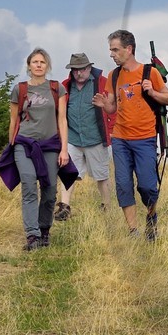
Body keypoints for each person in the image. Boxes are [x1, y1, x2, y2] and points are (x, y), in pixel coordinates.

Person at [95, 29, 168, 240]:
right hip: (120, 138)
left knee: (147, 185)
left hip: (145, 138)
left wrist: (152, 92)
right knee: (123, 183)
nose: (112, 54)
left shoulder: (150, 72)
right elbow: (112, 108)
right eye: (111, 50)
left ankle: (151, 218)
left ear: (129, 49)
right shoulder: (114, 75)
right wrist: (105, 105)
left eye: (115, 49)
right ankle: (133, 230)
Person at [7, 47, 69, 251]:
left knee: (50, 190)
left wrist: (64, 150)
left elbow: (62, 119)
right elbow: (14, 119)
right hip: (24, 144)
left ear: (47, 65)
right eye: (35, 62)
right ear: (29, 66)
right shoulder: (20, 89)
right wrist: (12, 145)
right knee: (28, 186)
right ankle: (32, 235)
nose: (39, 65)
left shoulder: (56, 88)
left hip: (50, 144)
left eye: (42, 62)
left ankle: (44, 230)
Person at [56, 52, 114, 218]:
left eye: (82, 69)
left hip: (95, 138)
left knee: (101, 175)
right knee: (68, 173)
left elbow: (112, 106)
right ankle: (64, 207)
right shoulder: (65, 86)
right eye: (75, 69)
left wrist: (111, 129)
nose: (78, 73)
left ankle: (107, 207)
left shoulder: (102, 83)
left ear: (89, 68)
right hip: (72, 138)